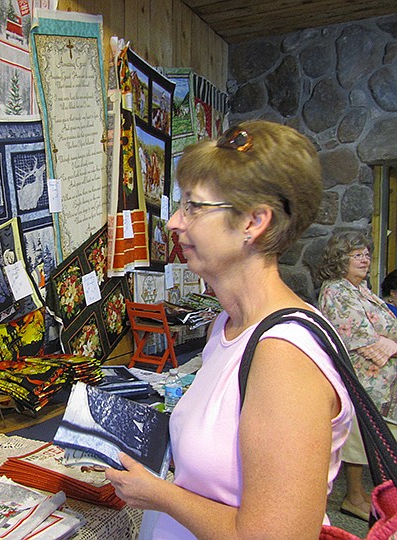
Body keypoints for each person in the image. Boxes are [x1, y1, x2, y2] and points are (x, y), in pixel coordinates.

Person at [104, 120, 354, 539]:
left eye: (194, 207)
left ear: (253, 222)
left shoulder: (285, 358)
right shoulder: (228, 325)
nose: (175, 223)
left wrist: (159, 494)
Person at [316, 231, 397, 521]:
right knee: (366, 441)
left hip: (380, 382)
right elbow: (363, 340)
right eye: (357, 255)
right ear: (340, 259)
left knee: (367, 442)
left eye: (366, 254)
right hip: (363, 379)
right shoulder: (337, 290)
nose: (365, 259)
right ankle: (357, 497)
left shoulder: (361, 290)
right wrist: (393, 346)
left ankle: (361, 496)